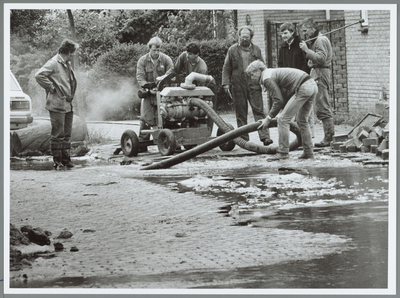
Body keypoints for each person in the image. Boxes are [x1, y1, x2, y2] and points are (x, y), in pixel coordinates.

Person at [246, 60, 317, 161]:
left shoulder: (267, 78)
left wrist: (269, 118)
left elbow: (278, 100)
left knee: (282, 120)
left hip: (304, 87)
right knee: (302, 120)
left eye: (252, 75)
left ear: (258, 71)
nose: (252, 78)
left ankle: (283, 152)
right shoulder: (271, 73)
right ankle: (308, 153)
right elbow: (284, 97)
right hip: (312, 85)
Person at [222, 25, 273, 146]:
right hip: (238, 85)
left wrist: (265, 81)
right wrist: (225, 84)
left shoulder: (256, 50)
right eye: (242, 36)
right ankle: (244, 139)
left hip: (254, 84)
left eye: (247, 37)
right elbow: (226, 67)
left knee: (259, 111)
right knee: (241, 112)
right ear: (239, 36)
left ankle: (265, 137)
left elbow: (262, 66)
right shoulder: (232, 50)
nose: (244, 39)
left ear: (251, 38)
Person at [35, 38, 79, 170]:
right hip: (57, 103)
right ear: (69, 51)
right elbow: (39, 75)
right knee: (58, 134)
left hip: (68, 104)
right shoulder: (54, 62)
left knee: (67, 134)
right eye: (73, 52)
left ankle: (66, 160)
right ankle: (57, 162)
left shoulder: (67, 63)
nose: (73, 55)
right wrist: (50, 87)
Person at [299, 17, 335, 147]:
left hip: (321, 73)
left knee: (322, 105)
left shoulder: (321, 40)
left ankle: (329, 137)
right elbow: (317, 59)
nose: (304, 34)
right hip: (317, 71)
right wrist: (311, 62)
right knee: (319, 105)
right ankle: (329, 136)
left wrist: (306, 51)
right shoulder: (317, 40)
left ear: (312, 28)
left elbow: (321, 58)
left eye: (305, 31)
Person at [278, 22, 314, 138]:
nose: (283, 36)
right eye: (282, 34)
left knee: (306, 111)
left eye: (285, 33)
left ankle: (310, 135)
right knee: (292, 109)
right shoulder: (282, 48)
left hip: (302, 80)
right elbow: (281, 64)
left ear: (292, 32)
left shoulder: (300, 45)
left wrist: (301, 78)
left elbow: (306, 63)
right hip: (289, 82)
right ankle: (298, 136)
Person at [136, 36, 174, 141]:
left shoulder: (166, 59)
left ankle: (169, 139)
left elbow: (171, 70)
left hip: (163, 94)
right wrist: (147, 86)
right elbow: (140, 77)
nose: (156, 52)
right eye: (154, 50)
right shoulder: (142, 61)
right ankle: (143, 140)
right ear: (149, 48)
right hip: (149, 93)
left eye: (158, 50)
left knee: (166, 115)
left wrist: (164, 77)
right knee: (145, 117)